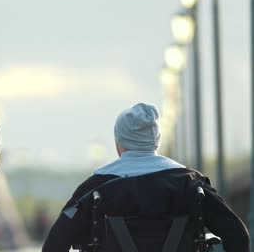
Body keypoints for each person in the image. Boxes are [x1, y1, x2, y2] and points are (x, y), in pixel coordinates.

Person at [42, 103, 249, 252]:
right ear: (156, 141)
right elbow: (238, 235)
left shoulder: (95, 186)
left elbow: (54, 244)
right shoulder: (190, 183)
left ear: (118, 143)